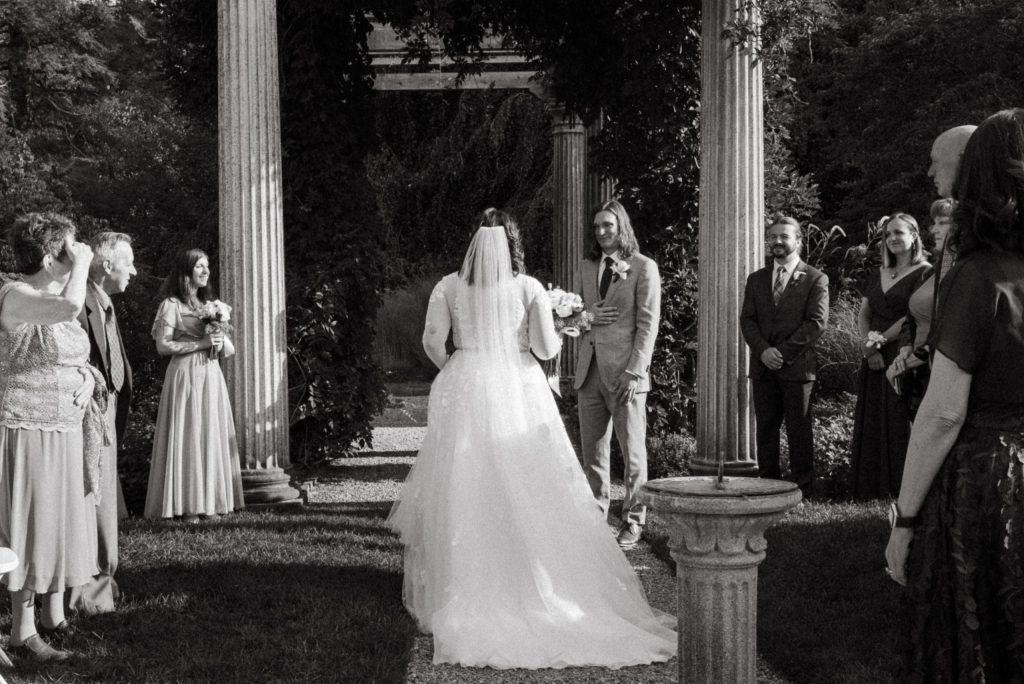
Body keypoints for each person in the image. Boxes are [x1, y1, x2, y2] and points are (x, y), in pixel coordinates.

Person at [388, 209, 676, 669]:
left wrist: (457, 368)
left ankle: (462, 579)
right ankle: (537, 573)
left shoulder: (448, 285)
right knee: (531, 476)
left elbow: (432, 340)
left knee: (466, 476)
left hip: (466, 384)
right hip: (518, 386)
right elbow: (544, 348)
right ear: (512, 243)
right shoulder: (528, 287)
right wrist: (558, 329)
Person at [885, 108, 1024, 681]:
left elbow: (943, 413)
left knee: (980, 643)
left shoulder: (979, 274)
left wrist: (905, 521)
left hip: (990, 485)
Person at [0, 213, 103, 661]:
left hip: (66, 428)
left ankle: (51, 615)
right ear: (48, 257)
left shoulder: (57, 296)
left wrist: (89, 377)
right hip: (28, 427)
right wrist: (85, 262)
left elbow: (75, 356)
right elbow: (69, 309)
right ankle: (22, 633)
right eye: (69, 249)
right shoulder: (14, 295)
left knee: (57, 523)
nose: (77, 254)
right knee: (31, 527)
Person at [574, 200, 661, 550]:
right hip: (589, 373)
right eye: (596, 226)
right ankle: (596, 515)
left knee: (632, 452)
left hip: (626, 375)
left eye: (607, 225)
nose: (601, 232)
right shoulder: (586, 267)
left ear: (621, 226)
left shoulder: (643, 267)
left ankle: (634, 520)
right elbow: (573, 319)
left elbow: (648, 325)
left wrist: (635, 372)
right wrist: (586, 318)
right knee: (593, 453)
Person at [144, 248, 244, 521]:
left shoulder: (207, 305)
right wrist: (200, 343)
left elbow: (219, 343)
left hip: (210, 374)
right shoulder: (171, 305)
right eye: (199, 266)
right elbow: (163, 346)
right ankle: (187, 505)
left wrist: (218, 339)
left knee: (208, 432)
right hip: (185, 374)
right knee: (188, 434)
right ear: (185, 271)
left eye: (206, 266)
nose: (206, 271)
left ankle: (209, 503)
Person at [68, 231, 135, 616]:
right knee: (91, 500)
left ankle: (104, 585)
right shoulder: (80, 300)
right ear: (107, 265)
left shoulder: (103, 302)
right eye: (129, 263)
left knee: (104, 502)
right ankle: (88, 594)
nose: (134, 271)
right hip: (87, 414)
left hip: (106, 409)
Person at [739, 216, 829, 495]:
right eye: (773, 236)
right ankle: (768, 485)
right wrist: (764, 351)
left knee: (798, 429)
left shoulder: (815, 278)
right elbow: (748, 320)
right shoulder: (756, 279)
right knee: (766, 429)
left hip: (797, 367)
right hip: (763, 366)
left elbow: (816, 323)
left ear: (798, 241)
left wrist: (782, 353)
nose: (777, 241)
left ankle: (803, 488)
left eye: (784, 236)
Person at [849, 213, 931, 499]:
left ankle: (900, 487)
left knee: (899, 417)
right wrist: (868, 345)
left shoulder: (925, 273)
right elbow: (864, 313)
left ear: (914, 236)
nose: (892, 238)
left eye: (899, 232)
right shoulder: (879, 272)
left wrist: (880, 341)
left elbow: (912, 316)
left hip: (902, 352)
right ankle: (870, 487)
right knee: (873, 416)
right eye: (888, 234)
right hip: (872, 353)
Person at [885, 201, 955, 417]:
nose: (933, 229)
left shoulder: (965, 274)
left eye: (942, 223)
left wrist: (915, 359)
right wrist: (904, 350)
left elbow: (951, 329)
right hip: (917, 374)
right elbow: (910, 317)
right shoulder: (931, 273)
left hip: (943, 373)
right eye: (934, 223)